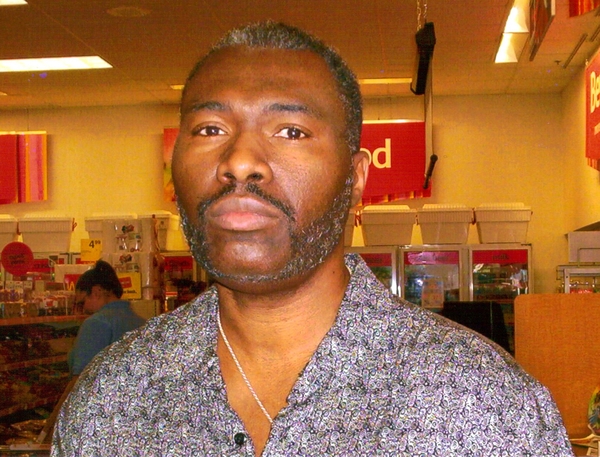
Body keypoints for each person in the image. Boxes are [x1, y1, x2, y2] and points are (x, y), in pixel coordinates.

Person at [52, 22, 574, 456]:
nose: (239, 161)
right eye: (210, 129)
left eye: (291, 131)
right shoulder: (107, 403)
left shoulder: (484, 407)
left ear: (356, 179)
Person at [67, 259, 146, 376]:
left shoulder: (96, 323)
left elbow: (83, 377)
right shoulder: (142, 323)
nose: (83, 309)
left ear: (96, 292)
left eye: (82, 302)